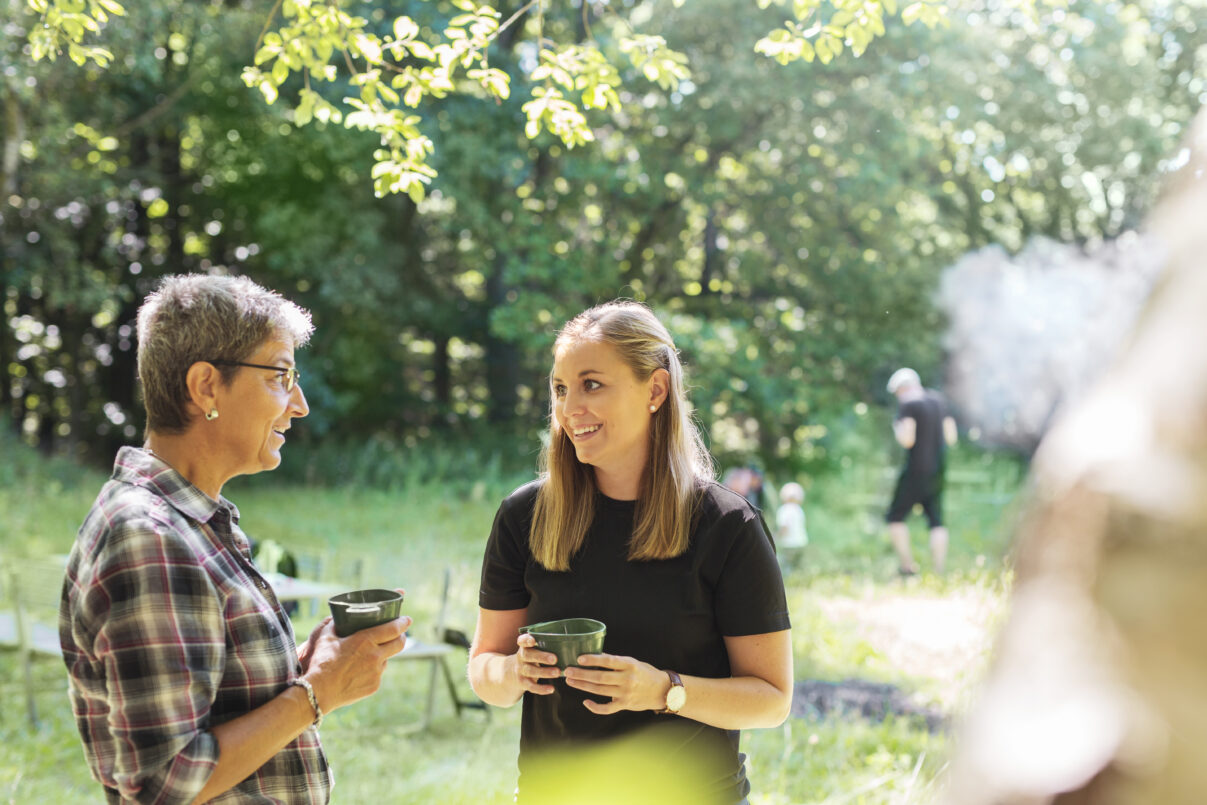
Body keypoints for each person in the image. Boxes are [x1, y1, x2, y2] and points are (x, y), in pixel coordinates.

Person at [59, 274, 410, 804]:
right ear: (205, 387)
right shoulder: (149, 539)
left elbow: (210, 694)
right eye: (280, 376)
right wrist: (317, 693)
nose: (300, 403)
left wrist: (303, 667)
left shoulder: (191, 522)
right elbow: (164, 783)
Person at [468, 300, 793, 805]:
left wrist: (664, 690)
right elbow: (485, 668)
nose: (569, 408)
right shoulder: (523, 516)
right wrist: (512, 672)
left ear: (656, 390)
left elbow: (772, 700)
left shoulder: (728, 526)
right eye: (560, 389)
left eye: (591, 384)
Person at [884, 367, 958, 575]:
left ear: (902, 388)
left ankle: (908, 567)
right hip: (938, 469)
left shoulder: (908, 403)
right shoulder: (939, 401)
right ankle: (939, 570)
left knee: (895, 518)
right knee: (937, 521)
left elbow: (908, 440)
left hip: (915, 470)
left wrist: (897, 427)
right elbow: (951, 437)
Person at [775, 482, 808, 568]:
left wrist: (776, 538)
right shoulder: (799, 509)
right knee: (797, 567)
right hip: (800, 543)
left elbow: (784, 527)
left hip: (788, 545)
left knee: (786, 568)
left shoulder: (784, 510)